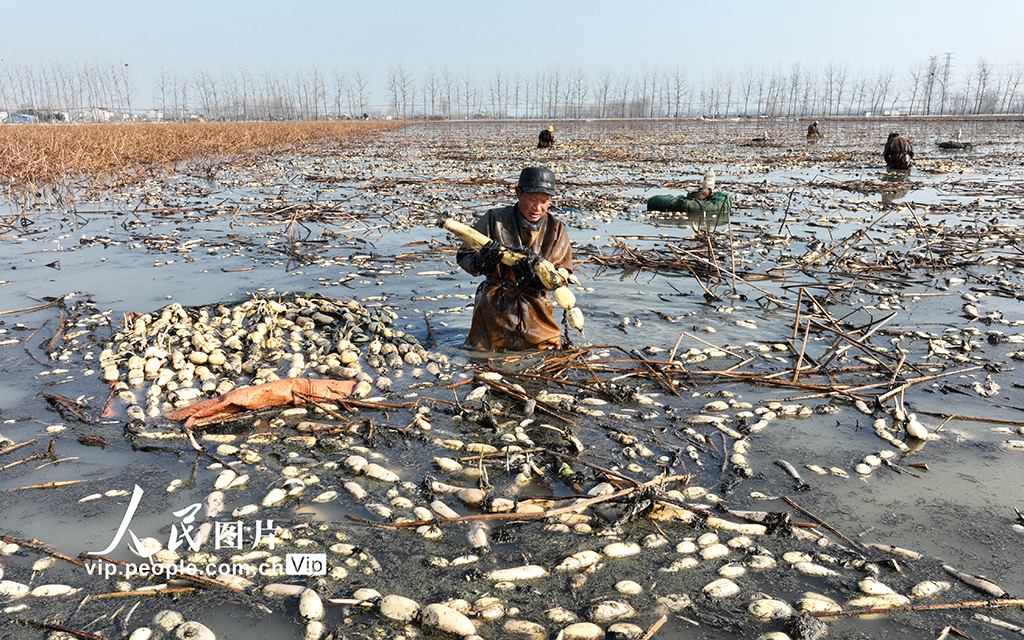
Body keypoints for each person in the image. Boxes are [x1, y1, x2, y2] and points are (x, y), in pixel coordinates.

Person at [457, 167, 572, 351]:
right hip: (493, 310)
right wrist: (480, 262)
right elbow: (465, 255)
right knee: (482, 356)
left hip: (536, 310)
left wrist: (538, 281)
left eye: (545, 201)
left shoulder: (556, 228)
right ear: (518, 193)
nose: (538, 208)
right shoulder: (494, 220)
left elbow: (562, 274)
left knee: (546, 354)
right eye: (533, 199)